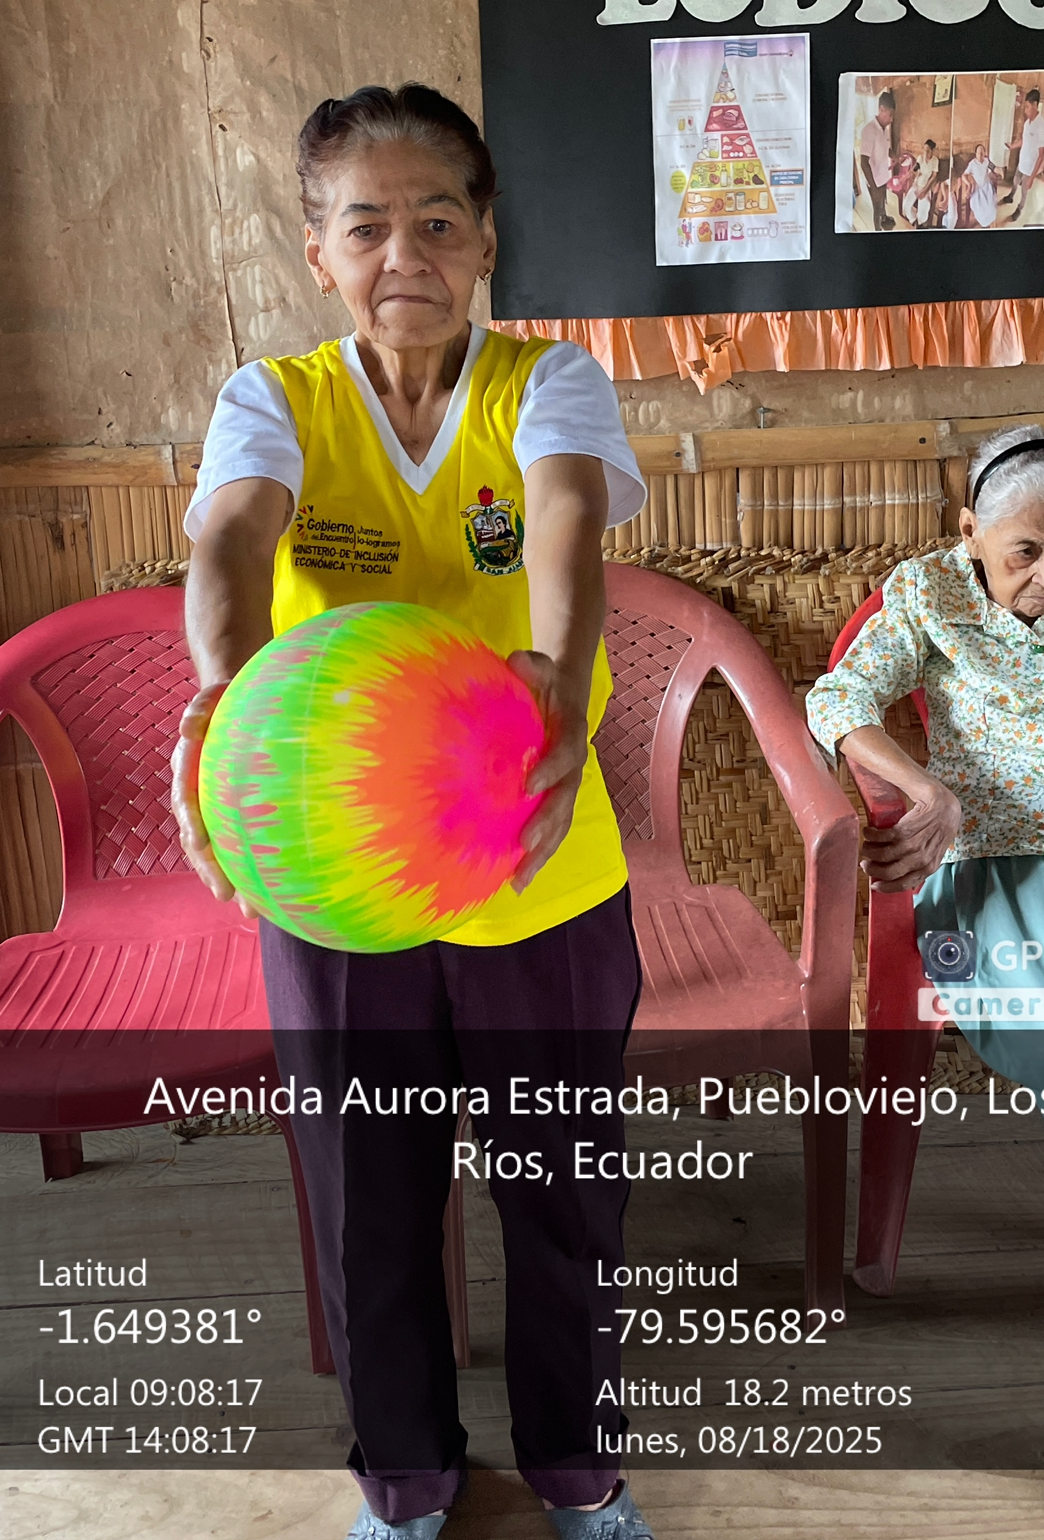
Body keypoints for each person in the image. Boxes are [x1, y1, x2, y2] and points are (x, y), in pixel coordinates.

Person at [170, 84, 656, 1540]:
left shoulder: (546, 382)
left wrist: (556, 673)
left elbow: (563, 515)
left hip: (532, 857)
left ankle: (579, 1475)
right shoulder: (275, 402)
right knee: (366, 1197)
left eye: (439, 220)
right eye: (366, 223)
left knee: (564, 1193)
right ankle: (405, 1482)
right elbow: (230, 543)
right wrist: (221, 693)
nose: (406, 254)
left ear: (487, 239)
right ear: (317, 249)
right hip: (340, 884)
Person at [805, 425, 1044, 1210]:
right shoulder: (929, 596)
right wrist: (929, 794)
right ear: (972, 532)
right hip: (999, 864)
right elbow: (837, 699)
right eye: (1025, 551)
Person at [1002, 88, 1044, 224]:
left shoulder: (1041, 127)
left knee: (1024, 191)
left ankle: (1019, 209)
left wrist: (1032, 177)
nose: (1025, 110)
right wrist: (1012, 146)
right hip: (1022, 161)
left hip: (1030, 167)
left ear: (1035, 105)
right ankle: (1011, 196)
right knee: (1015, 180)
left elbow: (1041, 156)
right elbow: (1025, 140)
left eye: (1027, 107)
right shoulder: (1027, 123)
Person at [857, 90, 897, 231]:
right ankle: (877, 231)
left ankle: (884, 220)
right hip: (874, 180)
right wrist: (874, 188)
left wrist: (894, 156)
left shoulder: (885, 129)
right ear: (881, 109)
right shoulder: (869, 130)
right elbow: (863, 162)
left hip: (883, 177)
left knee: (882, 204)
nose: (891, 119)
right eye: (890, 115)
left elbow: (886, 149)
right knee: (877, 208)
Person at [964, 142, 999, 229]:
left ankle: (992, 225)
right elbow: (964, 175)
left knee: (991, 207)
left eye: (982, 153)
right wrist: (968, 184)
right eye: (979, 153)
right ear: (976, 154)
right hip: (977, 188)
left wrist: (998, 172)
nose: (980, 155)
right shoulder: (972, 163)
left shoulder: (987, 161)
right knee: (979, 206)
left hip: (987, 187)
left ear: (984, 153)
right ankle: (986, 223)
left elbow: (994, 168)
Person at [906, 139, 938, 228]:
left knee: (922, 213)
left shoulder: (935, 161)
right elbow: (914, 169)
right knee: (906, 205)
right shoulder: (920, 158)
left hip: (926, 186)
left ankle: (919, 224)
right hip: (916, 184)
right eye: (924, 150)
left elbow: (933, 177)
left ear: (932, 150)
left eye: (928, 151)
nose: (925, 153)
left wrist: (924, 191)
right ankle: (914, 220)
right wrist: (911, 174)